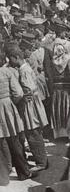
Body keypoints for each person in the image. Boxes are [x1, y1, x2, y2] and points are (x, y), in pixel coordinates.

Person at [6, 46, 48, 173]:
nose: (10, 61)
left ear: (17, 57)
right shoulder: (26, 68)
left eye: (11, 59)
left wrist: (21, 98)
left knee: (33, 133)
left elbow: (28, 90)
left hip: (29, 105)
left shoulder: (24, 71)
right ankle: (41, 159)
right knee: (34, 132)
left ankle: (41, 162)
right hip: (32, 103)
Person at [0, 52, 35, 184]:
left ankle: (3, 177)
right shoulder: (7, 72)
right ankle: (23, 172)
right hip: (7, 107)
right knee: (14, 140)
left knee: (1, 143)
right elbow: (18, 93)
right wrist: (12, 103)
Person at [48, 30, 70, 139]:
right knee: (66, 108)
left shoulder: (54, 59)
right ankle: (67, 133)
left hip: (56, 87)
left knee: (57, 108)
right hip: (67, 88)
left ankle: (58, 134)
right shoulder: (68, 58)